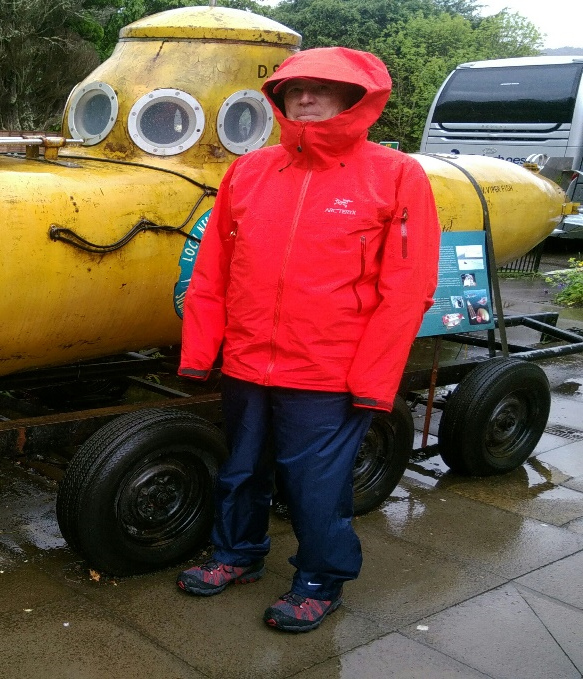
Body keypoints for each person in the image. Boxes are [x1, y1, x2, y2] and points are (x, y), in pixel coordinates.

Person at [174, 47, 440, 633]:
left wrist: (374, 382)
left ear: (355, 100)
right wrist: (201, 352)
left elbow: (408, 289)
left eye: (322, 87)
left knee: (315, 487)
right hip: (247, 362)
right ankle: (236, 555)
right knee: (240, 470)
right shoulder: (250, 170)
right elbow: (213, 268)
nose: (306, 96)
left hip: (327, 371)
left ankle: (321, 578)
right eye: (295, 88)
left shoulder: (397, 176)